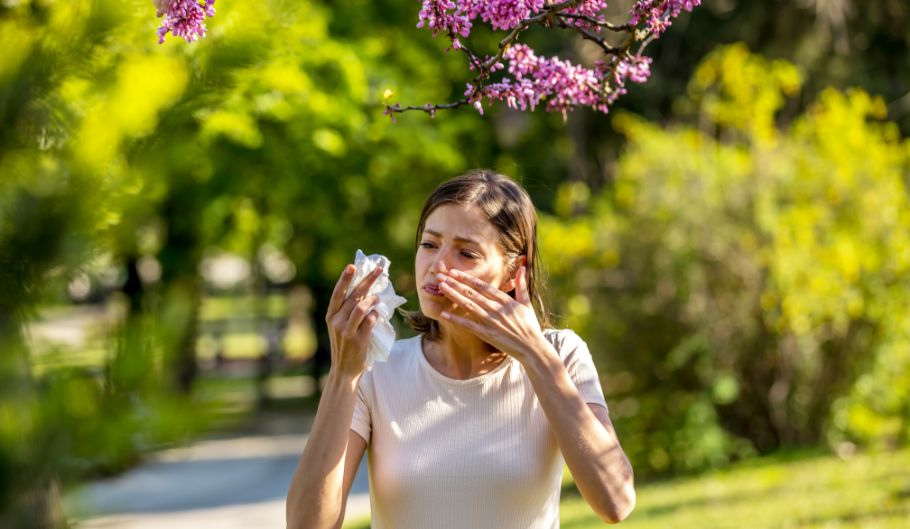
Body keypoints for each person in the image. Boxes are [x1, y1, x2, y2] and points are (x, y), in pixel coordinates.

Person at [287, 170, 635, 528]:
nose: (437, 267)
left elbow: (616, 502)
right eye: (430, 244)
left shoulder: (561, 355)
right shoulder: (378, 369)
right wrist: (343, 374)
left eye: (466, 253)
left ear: (513, 272)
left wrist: (535, 355)